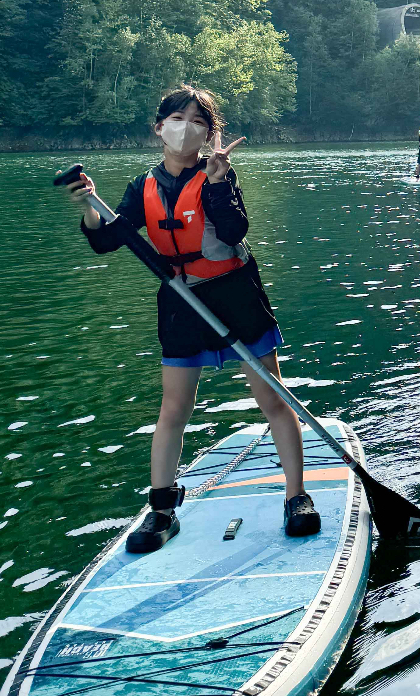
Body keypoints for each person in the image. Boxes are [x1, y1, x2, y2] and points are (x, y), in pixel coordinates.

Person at [65, 85, 321, 552]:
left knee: (272, 398)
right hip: (182, 301)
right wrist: (87, 208)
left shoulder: (218, 174)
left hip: (235, 294)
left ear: (208, 134)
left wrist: (221, 183)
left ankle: (296, 496)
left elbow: (234, 230)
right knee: (173, 409)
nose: (188, 129)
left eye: (199, 122)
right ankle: (162, 511)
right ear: (159, 128)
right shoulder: (142, 187)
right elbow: (106, 241)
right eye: (178, 119)